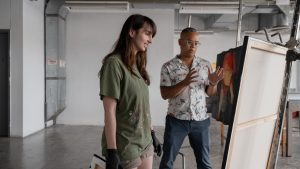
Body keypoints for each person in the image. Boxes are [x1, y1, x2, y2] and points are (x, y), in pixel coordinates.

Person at [98, 14, 161, 169]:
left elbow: (142, 106)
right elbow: (109, 112)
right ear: (132, 32)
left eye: (152, 35)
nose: (151, 40)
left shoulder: (137, 67)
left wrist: (152, 134)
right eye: (147, 33)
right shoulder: (114, 64)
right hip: (125, 145)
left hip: (145, 141)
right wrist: (112, 151)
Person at [159, 27, 223, 169]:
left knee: (205, 164)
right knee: (167, 163)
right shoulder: (168, 67)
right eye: (189, 42)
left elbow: (210, 93)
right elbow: (164, 94)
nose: (193, 46)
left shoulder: (205, 65)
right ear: (180, 42)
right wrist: (184, 83)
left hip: (200, 121)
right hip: (176, 121)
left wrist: (213, 83)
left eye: (196, 43)